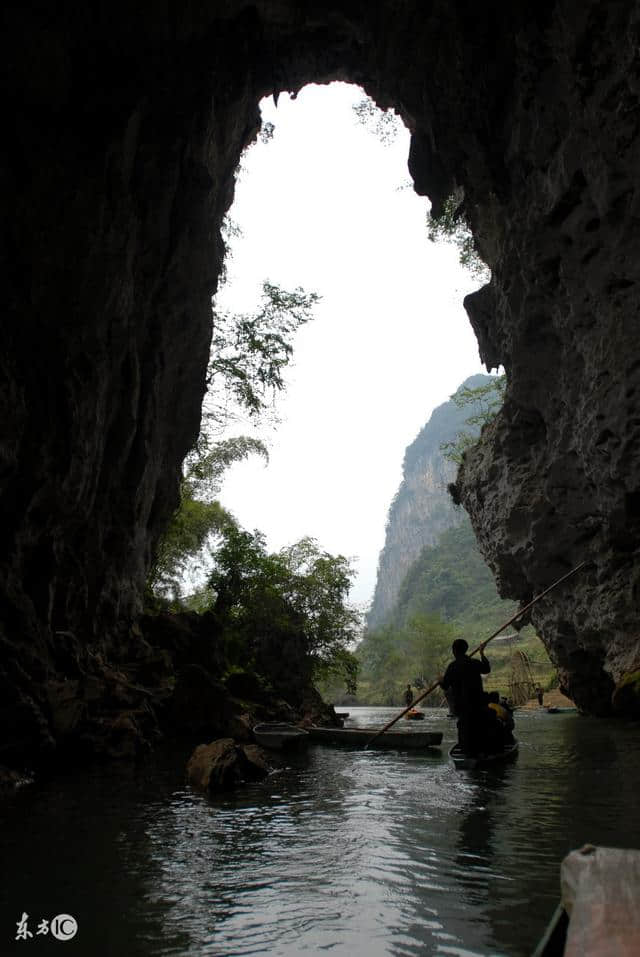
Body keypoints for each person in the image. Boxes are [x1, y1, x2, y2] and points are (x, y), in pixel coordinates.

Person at [439, 638, 491, 755]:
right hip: (477, 704)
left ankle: (466, 753)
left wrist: (440, 680)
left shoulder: (453, 666)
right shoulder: (474, 663)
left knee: (464, 730)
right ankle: (479, 751)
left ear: (454, 651)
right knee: (477, 728)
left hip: (461, 707)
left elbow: (445, 686)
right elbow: (486, 669)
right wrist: (482, 653)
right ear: (465, 649)